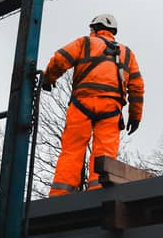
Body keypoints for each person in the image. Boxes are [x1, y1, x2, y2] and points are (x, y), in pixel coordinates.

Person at [42, 14, 145, 196]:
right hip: (111, 110)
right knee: (105, 154)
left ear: (95, 28)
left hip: (82, 105)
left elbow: (60, 59)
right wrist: (135, 117)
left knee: (72, 150)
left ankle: (60, 194)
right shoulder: (127, 54)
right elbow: (137, 88)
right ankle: (99, 191)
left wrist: (48, 78)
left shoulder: (85, 43)